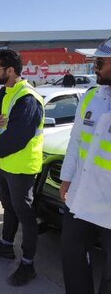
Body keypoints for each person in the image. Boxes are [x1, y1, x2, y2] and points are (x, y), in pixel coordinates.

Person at [0, 49, 44, 287]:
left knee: (25, 215)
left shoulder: (27, 98)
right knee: (8, 207)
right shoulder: (5, 93)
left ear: (10, 70)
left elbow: (18, 137)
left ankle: (28, 264)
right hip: (5, 164)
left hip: (22, 168)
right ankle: (7, 246)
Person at [59, 37, 111, 294]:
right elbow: (75, 141)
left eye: (101, 61)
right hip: (80, 195)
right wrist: (66, 178)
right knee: (73, 257)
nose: (95, 65)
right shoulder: (90, 97)